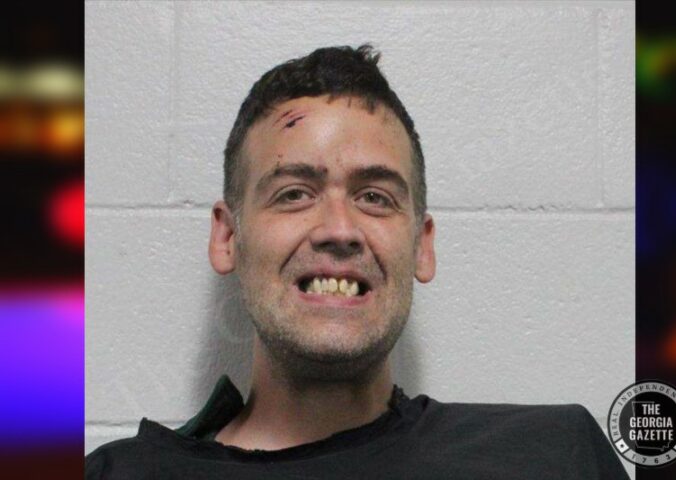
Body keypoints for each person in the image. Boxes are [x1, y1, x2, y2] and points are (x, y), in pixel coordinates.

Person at [85, 45, 629, 479]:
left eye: (375, 197)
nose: (339, 231)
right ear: (228, 237)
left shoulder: (554, 455)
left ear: (421, 246)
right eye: (294, 193)